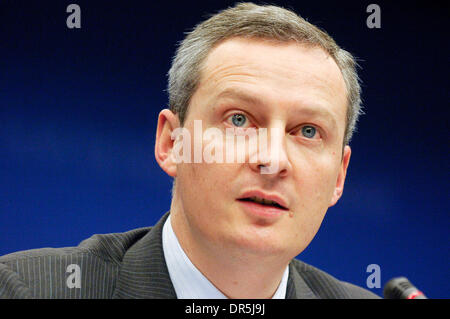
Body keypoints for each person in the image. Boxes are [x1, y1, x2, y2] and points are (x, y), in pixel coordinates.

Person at [0, 3, 379, 299]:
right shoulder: (26, 289)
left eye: (308, 131)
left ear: (339, 177)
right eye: (239, 120)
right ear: (171, 142)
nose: (273, 160)